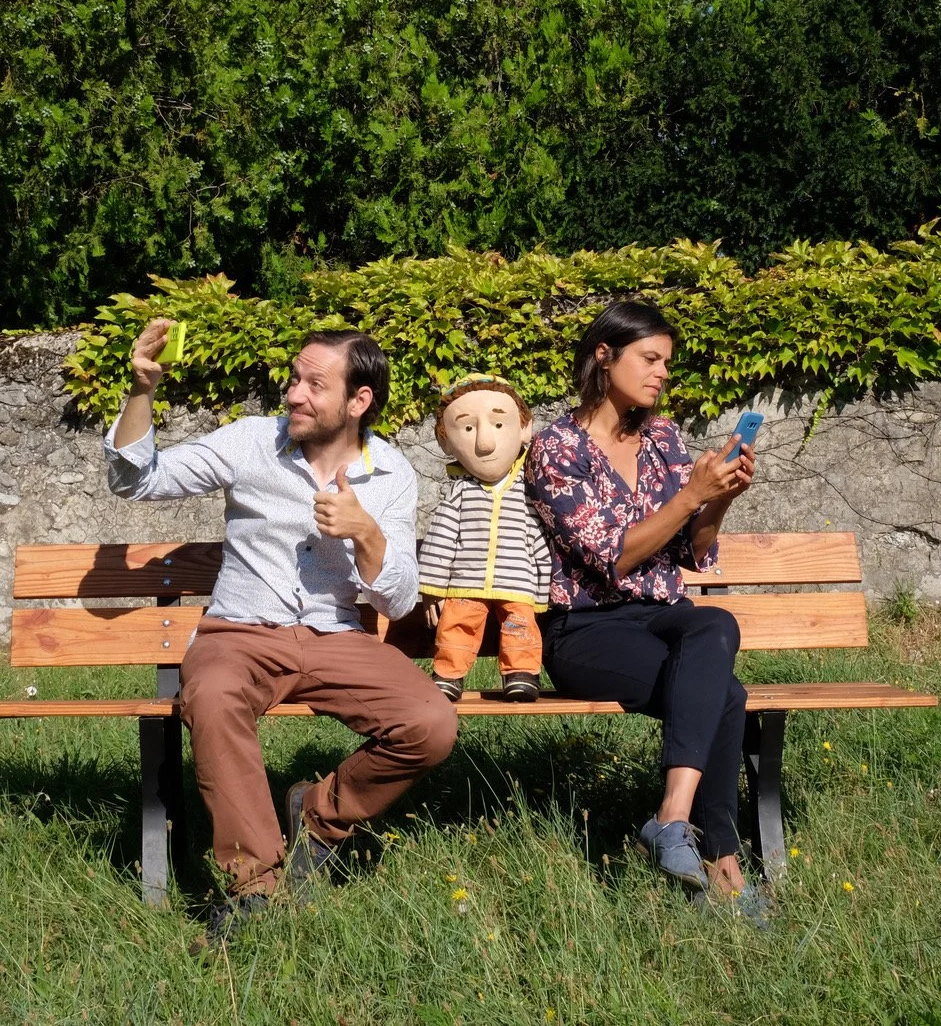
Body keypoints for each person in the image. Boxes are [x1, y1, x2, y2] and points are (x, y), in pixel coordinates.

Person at [105, 321, 458, 946]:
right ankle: (253, 886)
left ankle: (320, 817)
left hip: (336, 636)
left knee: (430, 724)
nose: (294, 394)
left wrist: (366, 533)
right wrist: (142, 390)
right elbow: (136, 480)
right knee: (214, 697)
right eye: (295, 379)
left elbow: (399, 599)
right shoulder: (251, 441)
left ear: (359, 400)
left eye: (314, 385)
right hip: (239, 632)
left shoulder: (392, 473)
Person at [525, 300, 768, 920]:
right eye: (650, 358)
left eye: (666, 363)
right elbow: (613, 557)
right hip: (585, 630)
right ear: (604, 356)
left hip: (662, 616)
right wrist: (691, 495)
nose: (662, 373)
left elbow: (691, 551)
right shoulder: (556, 447)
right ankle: (725, 865)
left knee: (715, 620)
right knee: (727, 696)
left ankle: (672, 817)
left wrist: (720, 499)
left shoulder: (663, 439)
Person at [418, 374, 551, 702]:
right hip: (465, 581)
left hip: (517, 582)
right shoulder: (460, 493)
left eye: (499, 424)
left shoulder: (529, 491)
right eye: (467, 428)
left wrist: (543, 590)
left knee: (520, 625)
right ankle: (448, 674)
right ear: (446, 441)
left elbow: (538, 539)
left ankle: (521, 673)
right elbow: (441, 539)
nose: (485, 443)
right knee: (456, 623)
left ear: (525, 429)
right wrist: (432, 589)